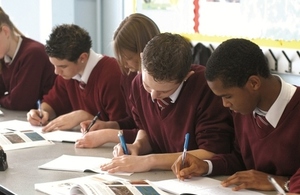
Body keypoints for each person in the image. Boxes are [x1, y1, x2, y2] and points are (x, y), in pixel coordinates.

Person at [171, 38, 300, 193]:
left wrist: (283, 182)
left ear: (253, 83)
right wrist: (206, 166)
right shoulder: (244, 109)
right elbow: (241, 159)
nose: (225, 104)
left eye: (228, 96)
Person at [100, 33, 234, 173]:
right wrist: (137, 146)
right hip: (161, 177)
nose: (152, 95)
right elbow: (147, 130)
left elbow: (211, 152)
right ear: (141, 60)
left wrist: (149, 161)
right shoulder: (137, 84)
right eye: (148, 86)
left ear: (186, 76)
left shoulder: (205, 88)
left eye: (164, 91)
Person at [75, 13, 160, 148]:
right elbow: (134, 122)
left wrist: (108, 135)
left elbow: (154, 135)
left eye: (128, 57)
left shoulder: (161, 83)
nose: (124, 64)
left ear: (144, 50)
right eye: (121, 57)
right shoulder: (130, 76)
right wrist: (108, 125)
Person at [27, 24, 127, 132]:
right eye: (54, 65)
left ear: (82, 58)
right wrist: (42, 112)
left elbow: (122, 126)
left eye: (62, 66)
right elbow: (52, 103)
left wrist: (84, 116)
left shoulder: (112, 75)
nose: (56, 72)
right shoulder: (68, 74)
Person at [0, 7, 56, 110]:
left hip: (53, 116)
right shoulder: (4, 56)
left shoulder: (33, 53)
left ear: (5, 31)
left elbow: (19, 102)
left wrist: (2, 99)